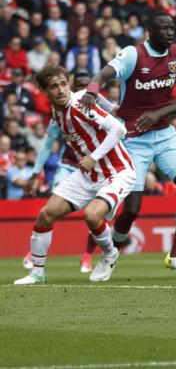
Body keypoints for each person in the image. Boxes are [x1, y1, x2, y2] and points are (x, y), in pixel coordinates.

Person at [81, 13, 176, 278]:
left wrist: (158, 114)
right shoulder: (133, 55)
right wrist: (92, 89)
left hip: (165, 135)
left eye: (172, 28)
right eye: (164, 28)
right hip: (133, 139)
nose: (170, 33)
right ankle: (109, 256)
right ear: (150, 31)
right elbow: (103, 74)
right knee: (133, 209)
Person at [14, 65, 134, 285]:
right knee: (45, 214)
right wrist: (35, 173)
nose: (61, 90)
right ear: (44, 92)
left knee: (92, 215)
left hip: (117, 172)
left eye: (63, 84)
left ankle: (109, 254)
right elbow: (48, 142)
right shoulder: (56, 113)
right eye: (54, 86)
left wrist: (93, 158)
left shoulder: (81, 104)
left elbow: (119, 129)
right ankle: (37, 273)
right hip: (88, 175)